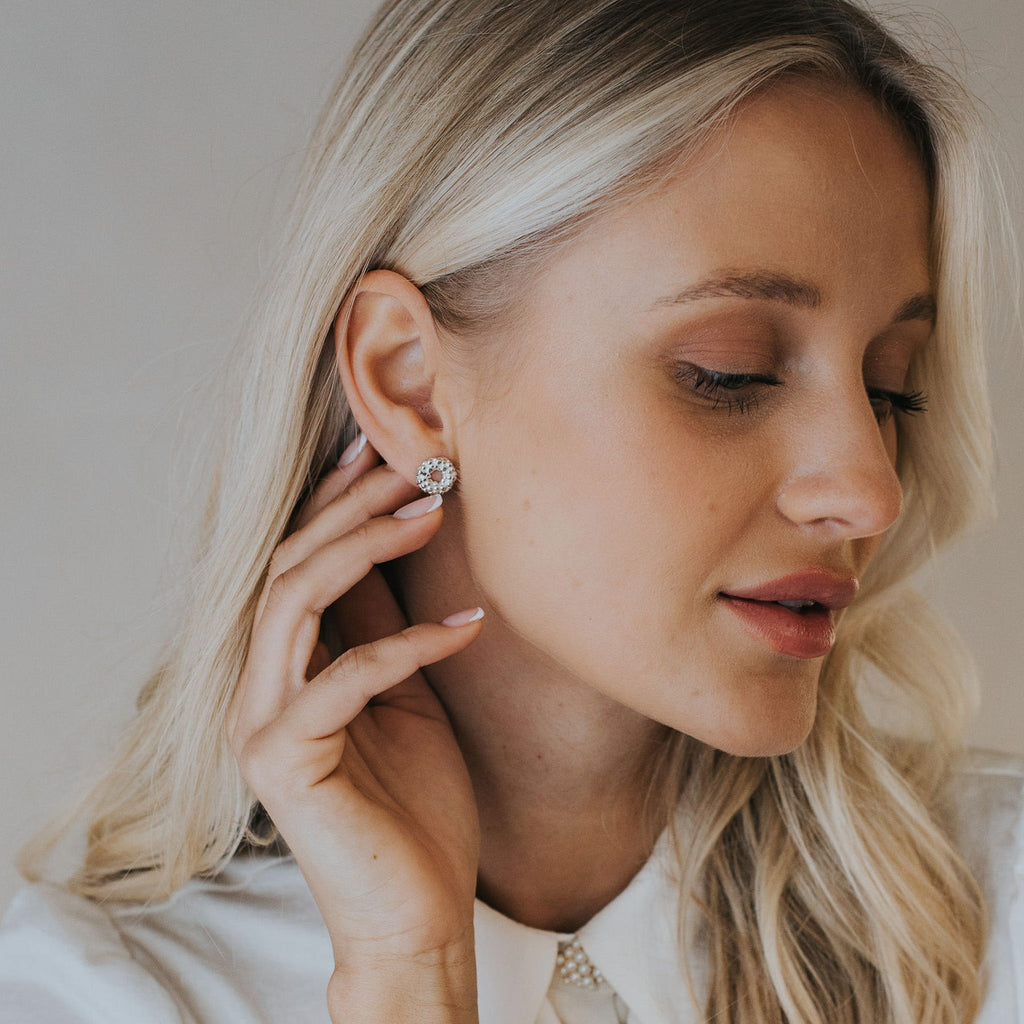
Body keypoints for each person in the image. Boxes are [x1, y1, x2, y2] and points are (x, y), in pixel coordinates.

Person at [1, 0, 1021, 1021]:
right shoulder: (100, 995)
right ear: (409, 383)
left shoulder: (997, 915)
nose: (869, 489)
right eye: (730, 373)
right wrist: (408, 974)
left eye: (890, 387)